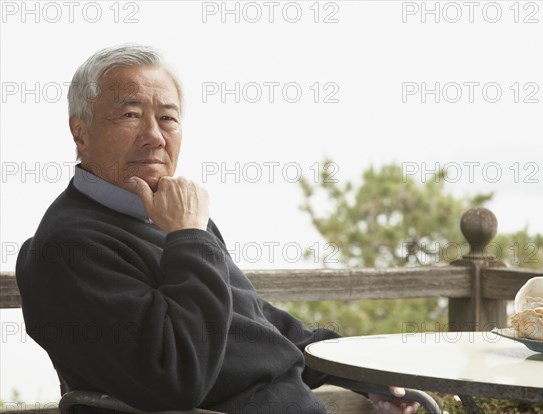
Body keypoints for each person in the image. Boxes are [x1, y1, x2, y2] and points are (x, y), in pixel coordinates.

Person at [16, 44, 418, 414]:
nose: (154, 137)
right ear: (80, 131)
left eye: (168, 118)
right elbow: (175, 378)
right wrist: (188, 237)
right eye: (131, 115)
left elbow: (253, 325)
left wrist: (352, 368)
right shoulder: (70, 246)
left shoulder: (173, 215)